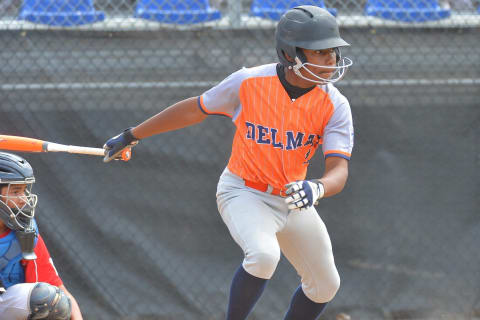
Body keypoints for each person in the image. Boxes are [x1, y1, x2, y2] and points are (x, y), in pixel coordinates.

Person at [103, 5, 354, 320]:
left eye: (333, 51)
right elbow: (195, 108)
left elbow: (338, 171)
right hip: (244, 191)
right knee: (263, 256)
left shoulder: (334, 104)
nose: (331, 60)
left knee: (325, 284)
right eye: (321, 51)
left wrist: (316, 188)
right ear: (291, 54)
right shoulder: (250, 81)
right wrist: (131, 135)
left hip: (293, 198)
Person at [0, 152, 83, 320]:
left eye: (24, 191)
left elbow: (59, 291)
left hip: (5, 307)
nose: (24, 199)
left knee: (49, 300)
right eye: (15, 191)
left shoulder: (25, 233)